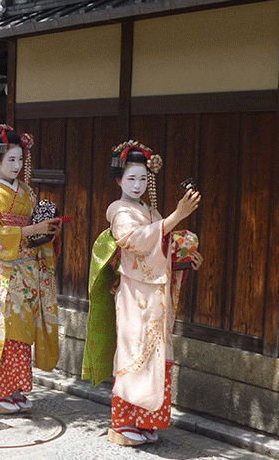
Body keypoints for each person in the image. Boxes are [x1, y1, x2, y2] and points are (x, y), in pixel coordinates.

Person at [82, 140, 203, 446]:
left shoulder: (151, 211)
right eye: (130, 178)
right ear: (119, 180)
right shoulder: (119, 212)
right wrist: (175, 217)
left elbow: (163, 244)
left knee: (155, 353)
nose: (137, 184)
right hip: (134, 294)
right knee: (133, 353)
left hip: (155, 294)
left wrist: (187, 259)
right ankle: (122, 424)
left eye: (142, 178)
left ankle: (144, 421)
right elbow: (134, 241)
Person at [0, 124, 62, 414]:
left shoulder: (26, 191)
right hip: (1, 272)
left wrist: (47, 233)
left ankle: (16, 388)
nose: (17, 166)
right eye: (11, 160)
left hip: (26, 270)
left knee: (22, 331)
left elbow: (34, 229)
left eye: (21, 160)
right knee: (3, 332)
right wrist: (30, 229)